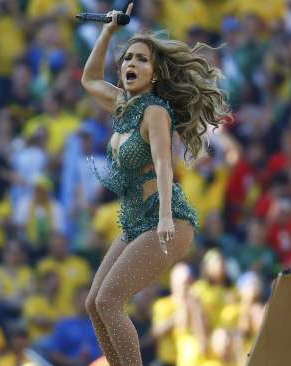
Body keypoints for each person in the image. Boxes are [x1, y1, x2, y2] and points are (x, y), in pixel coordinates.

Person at [80, 3, 230, 365]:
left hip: (167, 219)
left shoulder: (155, 112)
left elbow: (165, 165)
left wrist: (164, 216)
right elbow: (88, 79)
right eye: (127, 58)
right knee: (93, 303)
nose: (131, 64)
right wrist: (108, 32)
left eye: (142, 59)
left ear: (156, 74)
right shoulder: (121, 105)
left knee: (108, 300)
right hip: (135, 221)